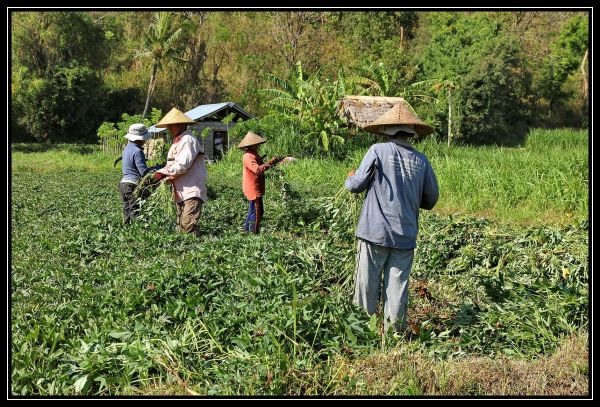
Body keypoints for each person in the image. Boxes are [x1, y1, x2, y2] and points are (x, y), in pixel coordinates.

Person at [344, 102, 439, 335]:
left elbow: (356, 186)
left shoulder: (378, 150)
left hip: (374, 231)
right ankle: (394, 335)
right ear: (411, 133)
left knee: (366, 285)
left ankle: (361, 332)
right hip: (405, 234)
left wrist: (350, 179)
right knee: (397, 287)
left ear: (388, 130)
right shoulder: (421, 160)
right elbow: (431, 199)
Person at [154, 108, 207, 236]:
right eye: (168, 126)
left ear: (182, 125)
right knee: (181, 225)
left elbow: (182, 165)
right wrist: (164, 173)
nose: (169, 129)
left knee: (187, 224)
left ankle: (195, 251)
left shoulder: (188, 140)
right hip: (180, 190)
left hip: (191, 189)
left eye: (172, 126)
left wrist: (163, 172)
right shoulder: (177, 141)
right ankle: (184, 251)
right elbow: (173, 163)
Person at [238, 131, 283, 234]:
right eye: (256, 144)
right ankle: (254, 234)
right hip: (253, 188)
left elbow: (260, 167)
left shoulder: (253, 154)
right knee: (257, 211)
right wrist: (270, 163)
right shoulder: (249, 156)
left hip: (255, 187)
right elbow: (257, 170)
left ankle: (247, 231)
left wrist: (270, 163)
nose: (258, 145)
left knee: (253, 210)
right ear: (252, 144)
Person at [119, 123, 154, 224]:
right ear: (139, 139)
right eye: (144, 139)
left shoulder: (126, 149)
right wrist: (155, 170)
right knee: (135, 211)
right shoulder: (138, 151)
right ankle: (138, 233)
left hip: (123, 184)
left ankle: (127, 232)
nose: (145, 141)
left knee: (126, 211)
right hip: (132, 185)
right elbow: (143, 172)